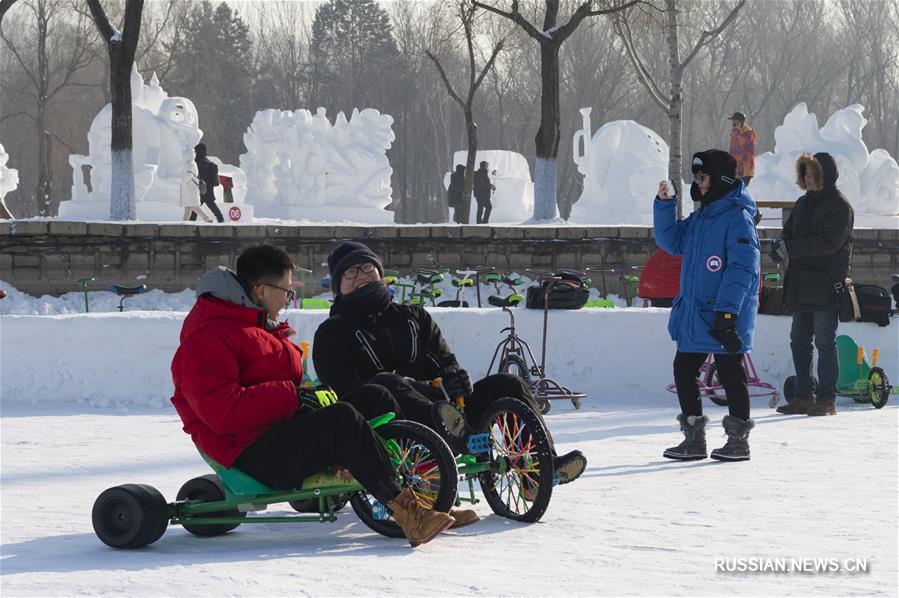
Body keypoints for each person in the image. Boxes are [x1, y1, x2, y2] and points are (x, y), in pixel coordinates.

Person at [170, 244, 455, 546]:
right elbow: (222, 412)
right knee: (340, 420)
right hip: (248, 452)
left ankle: (427, 496)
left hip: (279, 430)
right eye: (286, 291)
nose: (288, 299)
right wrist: (294, 397)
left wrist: (307, 394)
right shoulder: (207, 338)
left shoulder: (256, 327)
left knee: (373, 396)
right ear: (261, 290)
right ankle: (409, 512)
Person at [312, 241, 588, 485]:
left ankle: (542, 468)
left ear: (380, 275)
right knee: (386, 382)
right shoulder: (332, 333)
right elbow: (345, 390)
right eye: (350, 272)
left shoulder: (412, 317)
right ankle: (459, 437)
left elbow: (444, 361)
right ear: (339, 286)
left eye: (367, 269)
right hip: (387, 423)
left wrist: (454, 377)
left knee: (508, 383)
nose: (361, 276)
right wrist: (408, 384)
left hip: (446, 411)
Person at [654, 149, 760, 461]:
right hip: (697, 312)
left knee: (730, 372)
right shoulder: (701, 219)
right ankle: (694, 438)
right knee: (683, 368)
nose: (698, 183)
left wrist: (728, 312)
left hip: (725, 314)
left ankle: (738, 440)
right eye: (696, 177)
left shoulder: (738, 218)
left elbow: (742, 269)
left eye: (703, 176)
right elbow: (670, 242)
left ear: (721, 179)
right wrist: (664, 204)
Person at [771, 152, 854, 416]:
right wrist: (779, 247)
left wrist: (791, 249)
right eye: (804, 173)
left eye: (811, 173)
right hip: (800, 283)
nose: (806, 178)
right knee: (798, 340)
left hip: (826, 284)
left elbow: (829, 244)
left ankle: (827, 398)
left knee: (825, 341)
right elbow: (788, 233)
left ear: (824, 175)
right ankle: (803, 395)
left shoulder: (841, 207)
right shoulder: (802, 203)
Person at [191, 143, 224, 223]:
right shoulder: (211, 164)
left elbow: (196, 176)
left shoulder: (196, 163)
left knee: (195, 208)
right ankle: (221, 220)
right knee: (212, 206)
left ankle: (191, 222)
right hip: (209, 190)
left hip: (200, 189)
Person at [728, 112, 756, 186]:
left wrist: (737, 132)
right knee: (736, 191)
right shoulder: (735, 131)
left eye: (735, 121)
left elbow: (744, 145)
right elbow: (733, 150)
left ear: (740, 122)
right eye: (732, 121)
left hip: (745, 169)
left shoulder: (748, 132)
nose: (733, 123)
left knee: (740, 190)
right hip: (737, 168)